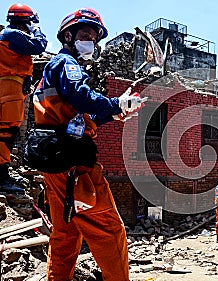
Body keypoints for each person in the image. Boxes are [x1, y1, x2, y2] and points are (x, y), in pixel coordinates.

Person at [33, 7, 146, 280]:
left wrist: (114, 111)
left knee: (66, 234)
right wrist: (116, 102)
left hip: (56, 165)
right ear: (68, 37)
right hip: (75, 168)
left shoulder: (56, 71)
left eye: (94, 39)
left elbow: (81, 116)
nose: (91, 43)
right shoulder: (66, 65)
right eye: (85, 35)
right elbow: (81, 95)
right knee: (109, 231)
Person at [0, 3, 47, 194]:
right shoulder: (12, 34)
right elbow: (39, 45)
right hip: (9, 88)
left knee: (8, 134)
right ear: (24, 21)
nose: (31, 27)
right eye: (30, 23)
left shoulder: (11, 37)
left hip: (14, 88)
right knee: (5, 133)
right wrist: (38, 30)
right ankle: (1, 178)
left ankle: (3, 173)